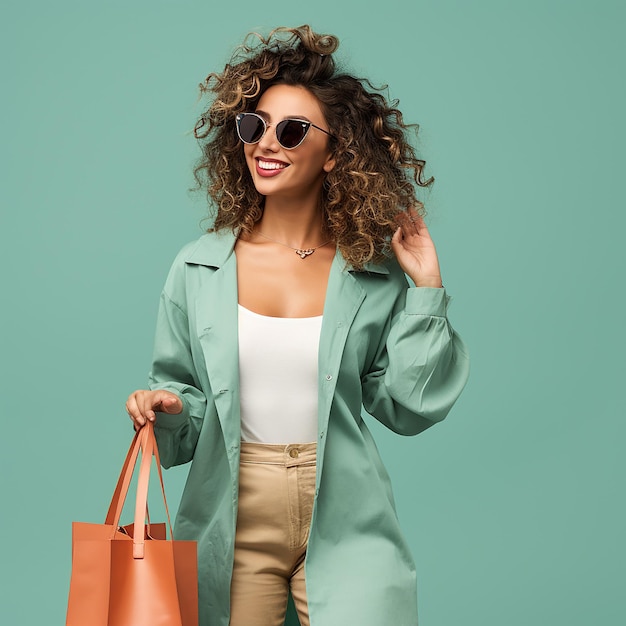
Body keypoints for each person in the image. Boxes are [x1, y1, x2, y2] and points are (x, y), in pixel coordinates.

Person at [126, 25, 469, 626]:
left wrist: (427, 291)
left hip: (345, 504)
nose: (267, 143)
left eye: (291, 131)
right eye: (253, 126)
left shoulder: (372, 275)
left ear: (335, 152)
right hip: (232, 507)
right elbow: (188, 402)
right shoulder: (198, 267)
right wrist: (167, 405)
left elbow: (407, 407)